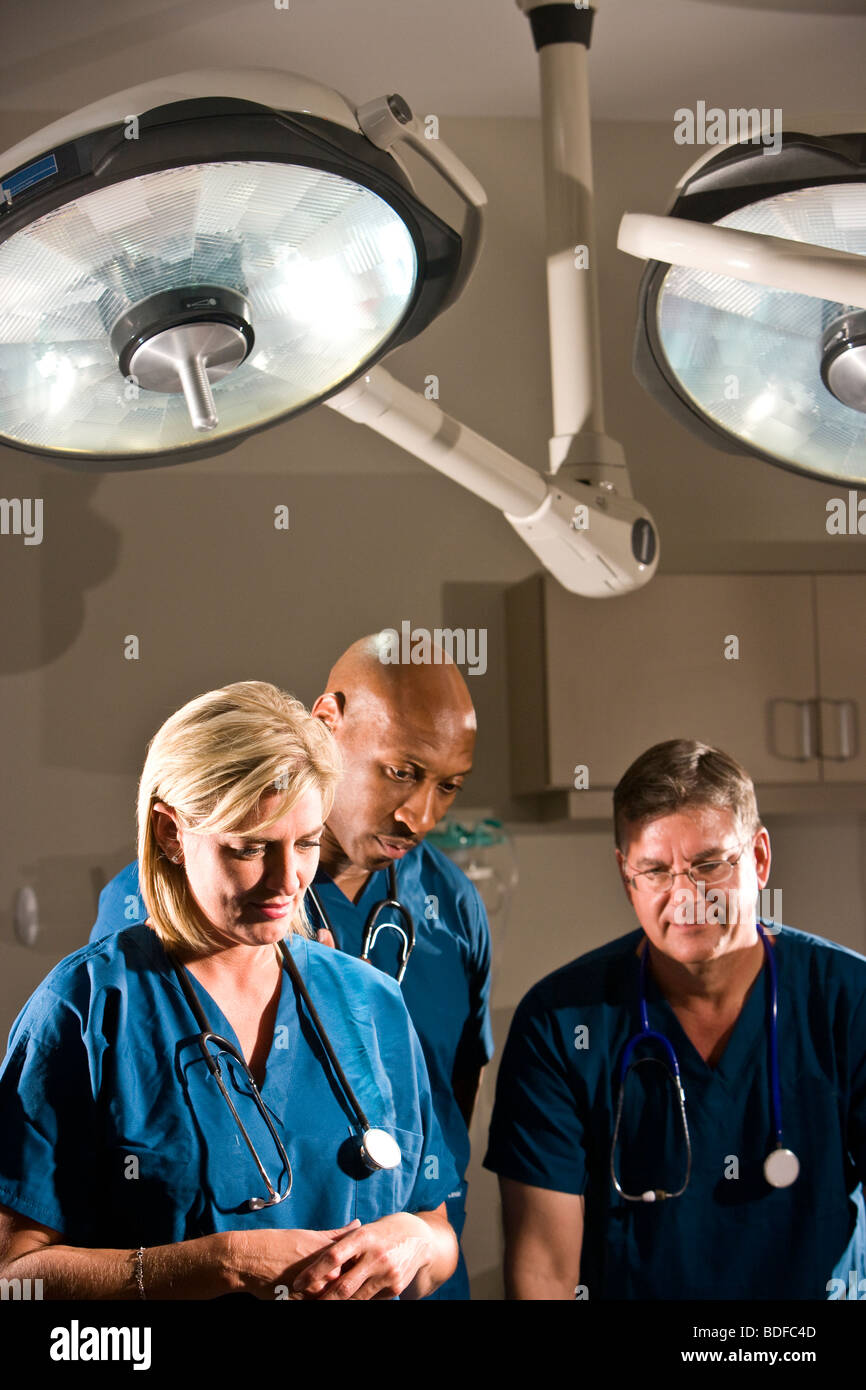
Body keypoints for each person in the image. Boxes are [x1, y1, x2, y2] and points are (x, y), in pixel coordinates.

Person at [0, 682, 459, 1300]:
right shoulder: (87, 1009)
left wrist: (413, 1242)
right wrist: (216, 1261)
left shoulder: (371, 1004)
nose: (288, 879)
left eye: (306, 843)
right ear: (170, 832)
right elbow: (13, 1277)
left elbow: (437, 1233)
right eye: (249, 848)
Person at [484, 738, 866, 1300]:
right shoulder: (560, 1024)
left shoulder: (847, 1001)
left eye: (709, 864)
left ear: (759, 858)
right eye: (656, 870)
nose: (686, 896)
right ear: (625, 875)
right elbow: (543, 1271)